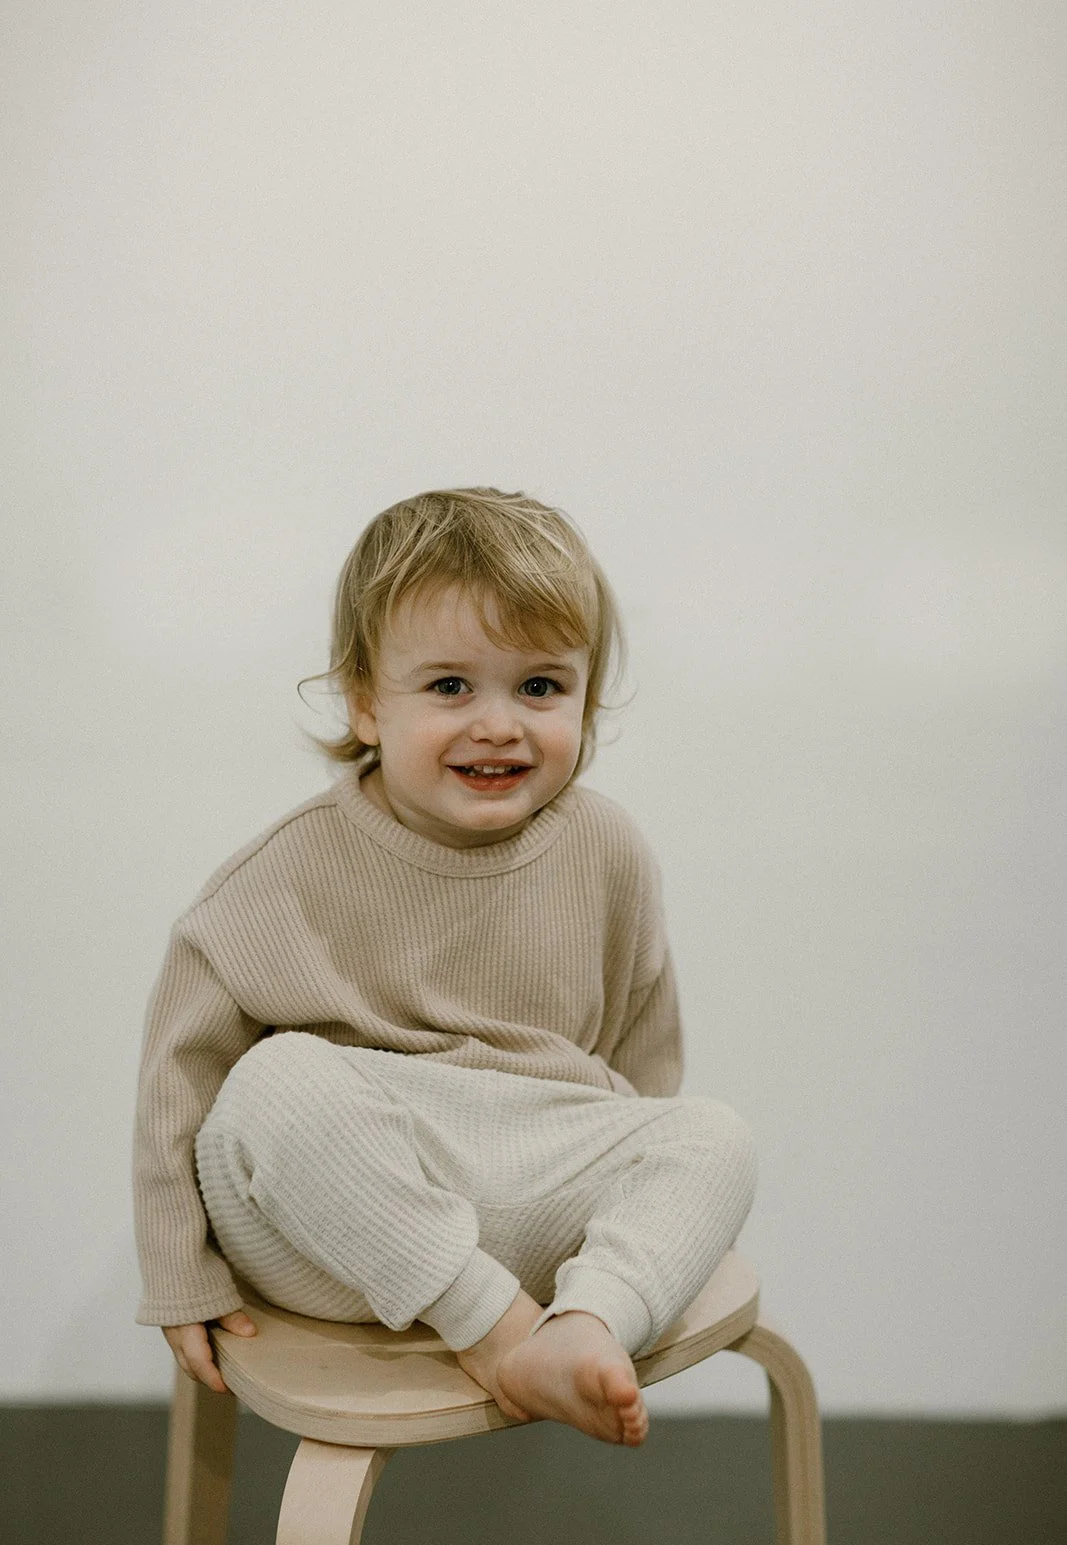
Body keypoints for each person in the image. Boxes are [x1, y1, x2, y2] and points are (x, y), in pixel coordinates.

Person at [132, 486, 757, 1448]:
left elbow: (642, 1049)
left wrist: (624, 1194)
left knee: (710, 1133)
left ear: (586, 696)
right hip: (340, 1232)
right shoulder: (283, 874)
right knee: (272, 1083)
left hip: (530, 1197)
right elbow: (179, 1077)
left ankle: (585, 1325)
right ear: (365, 703)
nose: (499, 724)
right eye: (450, 687)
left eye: (540, 687)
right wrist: (179, 1268)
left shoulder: (607, 848)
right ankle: (498, 1331)